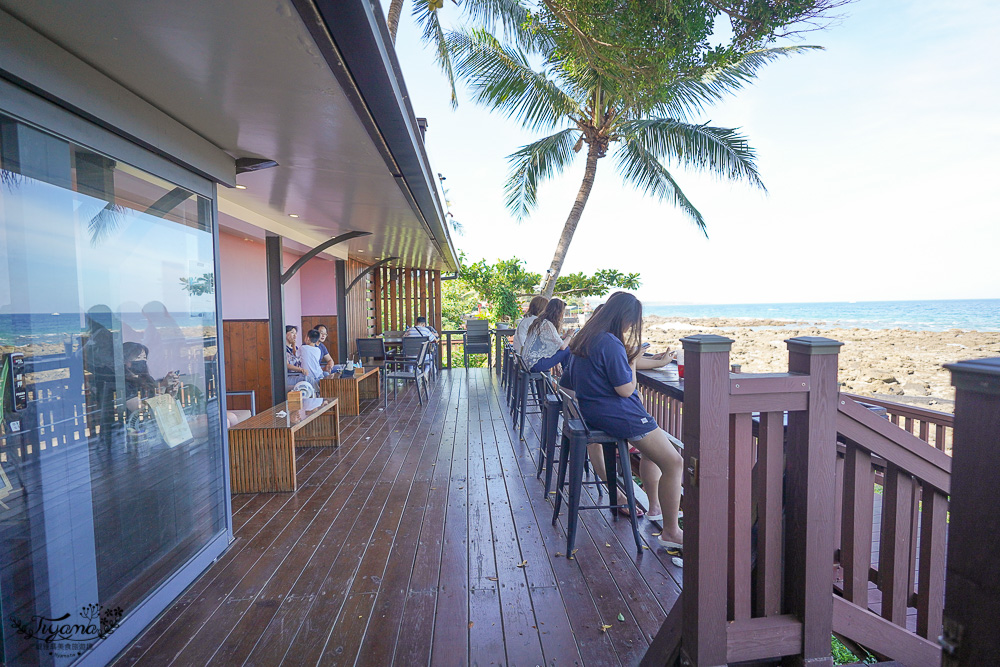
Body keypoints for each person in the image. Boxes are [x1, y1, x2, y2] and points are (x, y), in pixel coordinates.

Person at [563, 291, 683, 548]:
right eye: (632, 321)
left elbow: (569, 383)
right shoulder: (610, 342)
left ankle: (654, 507)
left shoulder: (584, 338)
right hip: (620, 415)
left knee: (655, 452)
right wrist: (634, 363)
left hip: (592, 413)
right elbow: (626, 390)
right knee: (674, 462)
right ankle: (671, 531)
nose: (631, 326)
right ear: (625, 318)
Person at [122, 341, 180, 412]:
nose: (142, 360)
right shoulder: (123, 385)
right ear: (125, 360)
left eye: (144, 357)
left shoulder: (148, 380)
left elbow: (163, 408)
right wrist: (162, 386)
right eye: (138, 357)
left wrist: (170, 394)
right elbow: (142, 411)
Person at [521, 298, 571, 373]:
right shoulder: (547, 324)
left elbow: (550, 340)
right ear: (558, 312)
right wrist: (570, 335)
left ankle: (566, 379)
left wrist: (563, 337)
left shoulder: (540, 321)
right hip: (534, 364)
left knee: (565, 350)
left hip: (527, 362)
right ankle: (568, 380)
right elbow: (563, 347)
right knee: (568, 350)